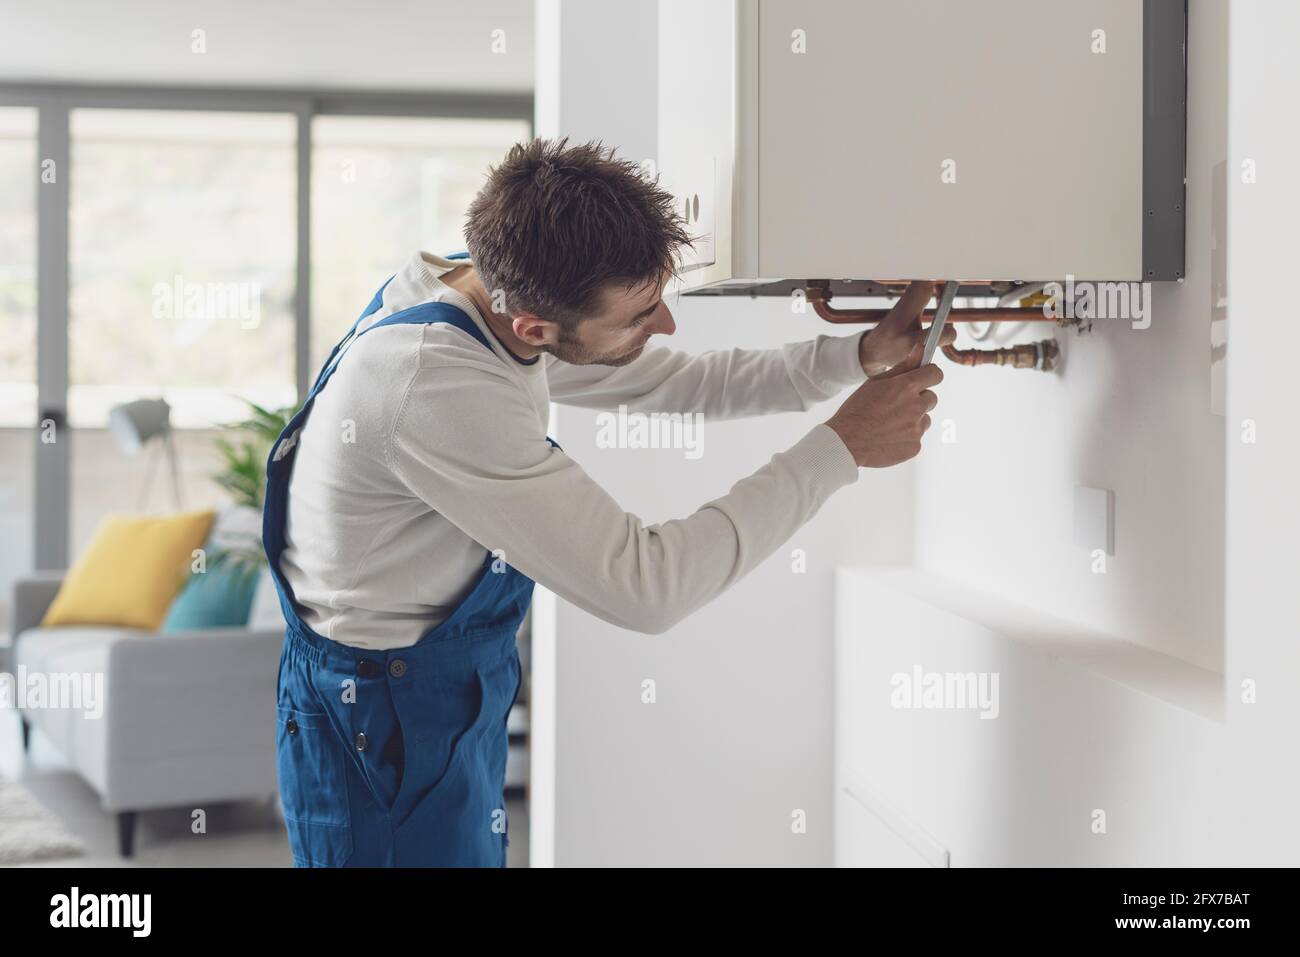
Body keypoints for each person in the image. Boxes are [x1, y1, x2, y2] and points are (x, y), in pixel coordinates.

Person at [262, 138, 947, 867]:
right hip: (379, 724)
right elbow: (648, 585)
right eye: (642, 312)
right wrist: (840, 447)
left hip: (432, 693)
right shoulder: (435, 382)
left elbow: (672, 383)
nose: (667, 325)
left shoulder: (471, 291)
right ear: (536, 329)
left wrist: (860, 355)